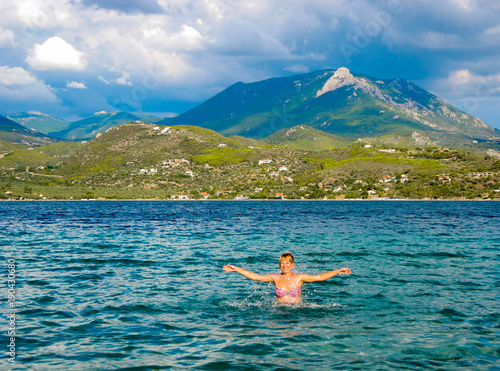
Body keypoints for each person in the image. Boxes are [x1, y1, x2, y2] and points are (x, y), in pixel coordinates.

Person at [223, 252, 352, 303]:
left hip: (297, 312)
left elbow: (319, 277)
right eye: (282, 263)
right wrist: (236, 269)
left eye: (287, 263)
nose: (285, 265)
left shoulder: (299, 278)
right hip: (279, 313)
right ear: (280, 265)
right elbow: (255, 277)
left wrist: (338, 271)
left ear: (292, 265)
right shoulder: (275, 278)